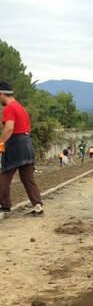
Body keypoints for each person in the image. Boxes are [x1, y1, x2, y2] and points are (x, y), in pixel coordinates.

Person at [0, 82, 43, 216]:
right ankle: (37, 206)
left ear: (1, 94)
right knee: (28, 178)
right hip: (27, 144)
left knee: (4, 175)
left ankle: (5, 206)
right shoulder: (20, 107)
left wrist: (0, 142)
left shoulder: (9, 108)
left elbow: (9, 128)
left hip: (15, 145)